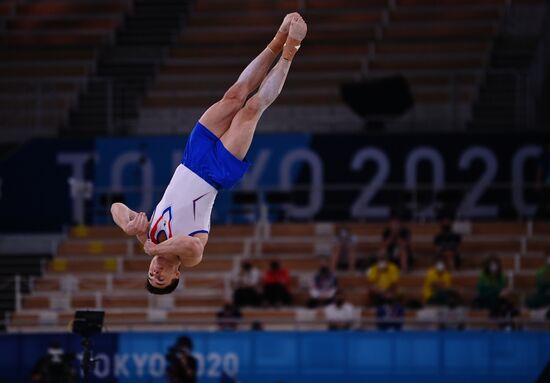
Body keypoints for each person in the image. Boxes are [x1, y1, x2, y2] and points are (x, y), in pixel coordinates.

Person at [108, 13, 308, 294]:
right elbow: (188, 243)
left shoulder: (148, 236)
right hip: (217, 173)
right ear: (177, 274)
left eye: (151, 276)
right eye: (162, 278)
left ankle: (277, 40)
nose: (156, 272)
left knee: (234, 95)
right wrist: (150, 245)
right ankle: (291, 50)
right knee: (251, 109)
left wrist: (128, 227)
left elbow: (116, 207)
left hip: (192, 159)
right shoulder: (189, 258)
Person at [535, 141, 550, 219]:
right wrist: (538, 181)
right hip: (546, 184)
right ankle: (539, 219)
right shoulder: (544, 156)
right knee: (543, 202)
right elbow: (540, 169)